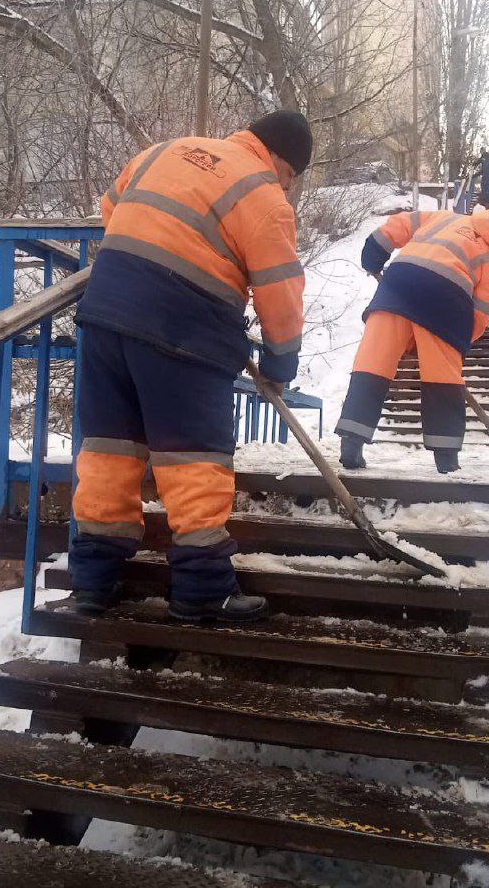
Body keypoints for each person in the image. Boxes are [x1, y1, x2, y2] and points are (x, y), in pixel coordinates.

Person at [70, 110, 312, 622]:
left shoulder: (166, 150)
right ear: (280, 161)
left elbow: (111, 208)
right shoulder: (263, 195)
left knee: (109, 452)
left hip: (106, 312)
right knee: (194, 459)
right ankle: (202, 588)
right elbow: (280, 292)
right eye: (290, 178)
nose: (285, 188)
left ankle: (92, 582)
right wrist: (279, 363)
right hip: (184, 331)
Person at [339, 206, 489, 473]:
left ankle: (351, 444)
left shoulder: (448, 217)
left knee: (372, 362)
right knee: (442, 376)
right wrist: (454, 338)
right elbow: (484, 311)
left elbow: (402, 223)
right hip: (447, 297)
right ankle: (446, 460)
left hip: (399, 279)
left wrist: (375, 249)